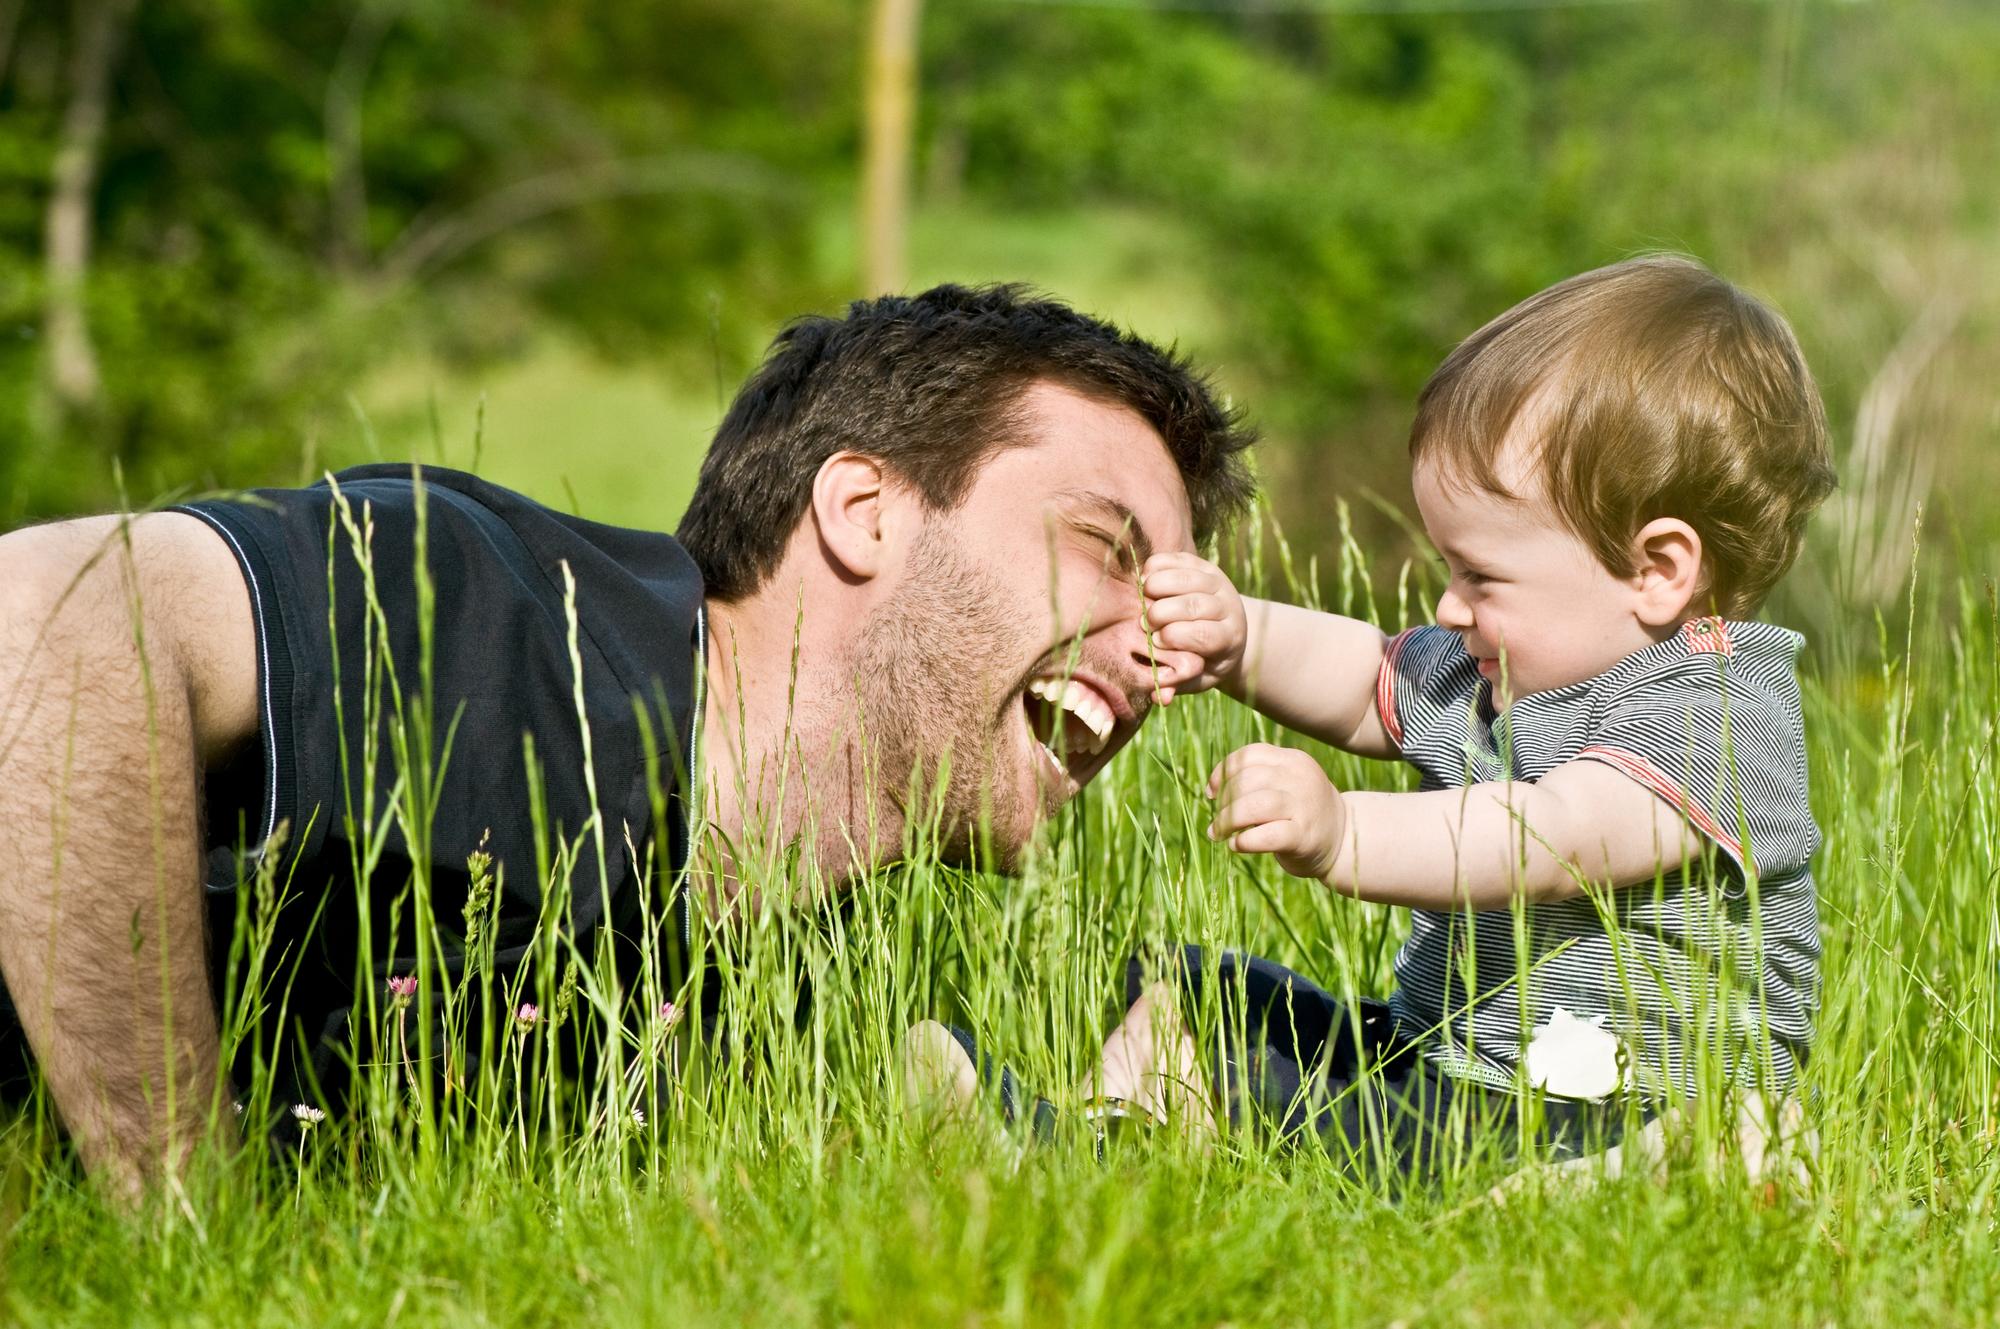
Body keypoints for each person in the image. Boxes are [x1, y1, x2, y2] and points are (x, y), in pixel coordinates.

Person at [0, 283, 1256, 1201]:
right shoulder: (503, 619)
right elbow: (47, 613)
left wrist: (1129, 1125)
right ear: (864, 513)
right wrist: (186, 1224)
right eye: (1110, 550)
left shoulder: (812, 980)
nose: (1172, 649)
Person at [914, 256, 1836, 1177]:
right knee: (1206, 990)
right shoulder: (1517, 665)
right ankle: (1111, 1129)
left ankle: (1693, 1154)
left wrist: (1342, 833)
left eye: (1481, 574)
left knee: (1302, 1105)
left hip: (1592, 1102)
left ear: (1658, 569)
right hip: (1445, 1056)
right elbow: (1368, 677)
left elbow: (1552, 839)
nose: (1449, 605)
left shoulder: (1717, 712)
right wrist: (1238, 638)